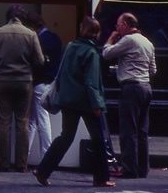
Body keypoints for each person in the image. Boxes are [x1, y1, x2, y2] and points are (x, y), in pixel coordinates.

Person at [34, 17, 114, 188]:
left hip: (68, 101)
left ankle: (43, 170)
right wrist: (97, 105)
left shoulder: (71, 47)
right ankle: (101, 178)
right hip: (85, 102)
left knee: (65, 137)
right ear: (97, 33)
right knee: (98, 139)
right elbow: (91, 83)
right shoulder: (91, 53)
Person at [0, 5, 45, 173]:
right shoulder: (31, 34)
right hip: (24, 82)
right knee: (22, 122)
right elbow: (40, 61)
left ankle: (3, 163)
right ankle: (21, 164)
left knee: (4, 122)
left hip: (3, 81)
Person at [102, 12, 157, 179]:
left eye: (118, 25)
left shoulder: (128, 40)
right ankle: (142, 168)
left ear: (126, 24)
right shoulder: (148, 42)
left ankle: (129, 169)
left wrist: (110, 39)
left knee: (128, 131)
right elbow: (153, 70)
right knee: (142, 131)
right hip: (146, 87)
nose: (117, 28)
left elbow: (107, 54)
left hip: (131, 88)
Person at [24, 11, 63, 160]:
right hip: (50, 81)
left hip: (39, 82)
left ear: (33, 27)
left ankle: (46, 156)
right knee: (34, 119)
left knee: (40, 119)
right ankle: (25, 154)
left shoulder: (39, 40)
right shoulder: (55, 38)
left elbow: (37, 62)